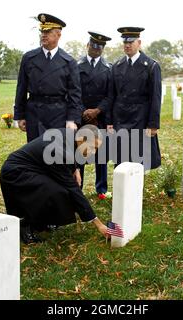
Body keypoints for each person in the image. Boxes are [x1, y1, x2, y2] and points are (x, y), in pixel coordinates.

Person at [0, 125, 108, 244]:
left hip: (33, 169)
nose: (94, 152)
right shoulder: (59, 152)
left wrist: (75, 169)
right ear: (82, 139)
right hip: (16, 174)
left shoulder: (70, 135)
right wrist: (98, 224)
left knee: (59, 190)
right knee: (55, 191)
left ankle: (44, 221)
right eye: (93, 147)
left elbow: (70, 153)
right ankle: (25, 225)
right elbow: (73, 189)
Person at [14, 13, 82, 142]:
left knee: (54, 155)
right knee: (35, 153)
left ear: (59, 35)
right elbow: (21, 88)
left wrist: (72, 119)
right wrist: (20, 115)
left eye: (48, 31)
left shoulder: (69, 62)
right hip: (34, 113)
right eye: (42, 31)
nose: (43, 35)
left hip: (58, 114)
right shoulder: (29, 58)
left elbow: (75, 94)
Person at [107, 27, 162, 171]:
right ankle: (122, 191)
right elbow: (111, 96)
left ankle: (135, 191)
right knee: (121, 159)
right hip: (120, 119)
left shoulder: (151, 66)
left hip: (140, 119)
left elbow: (155, 97)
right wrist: (109, 122)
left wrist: (153, 124)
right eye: (125, 42)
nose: (127, 45)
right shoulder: (117, 66)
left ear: (139, 42)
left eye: (131, 42)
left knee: (138, 160)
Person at [77, 31, 112, 198]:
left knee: (101, 155)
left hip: (101, 117)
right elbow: (74, 93)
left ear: (103, 49)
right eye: (93, 45)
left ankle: (101, 189)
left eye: (100, 46)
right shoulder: (76, 66)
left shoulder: (108, 68)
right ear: (87, 45)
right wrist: (84, 111)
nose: (96, 48)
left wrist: (97, 111)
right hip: (82, 116)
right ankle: (78, 187)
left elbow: (110, 95)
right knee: (81, 153)